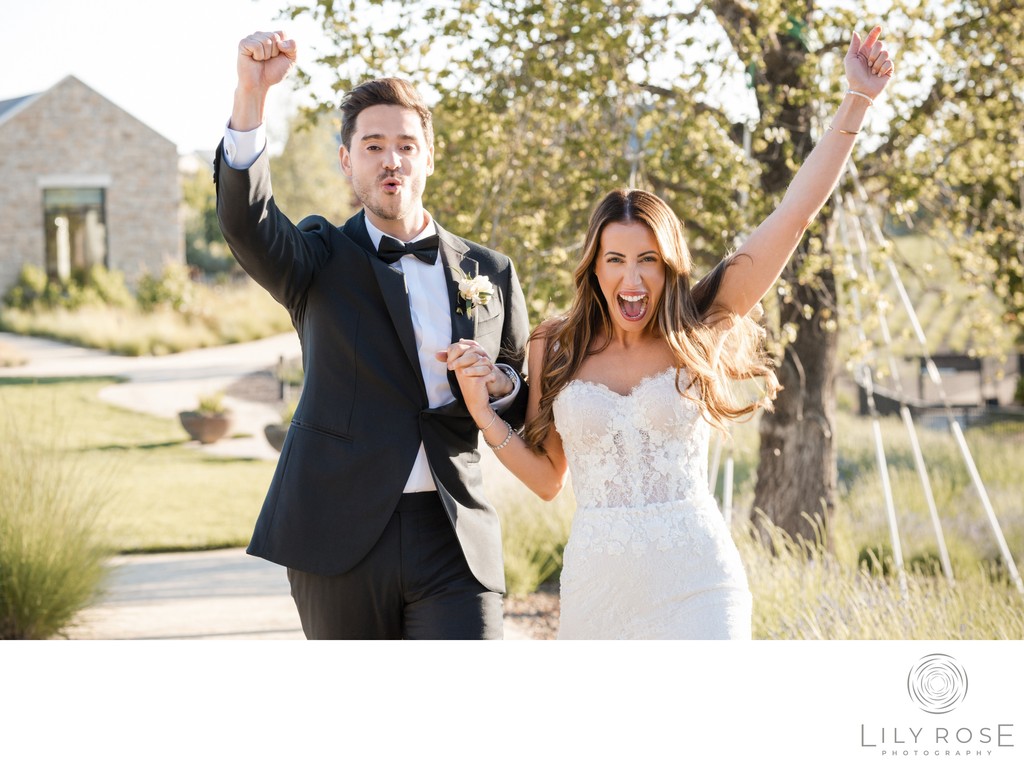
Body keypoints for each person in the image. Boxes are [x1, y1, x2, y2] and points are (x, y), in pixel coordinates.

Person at [446, 27, 895, 638]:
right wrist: (486, 415)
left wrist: (857, 102)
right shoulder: (555, 345)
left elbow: (793, 216)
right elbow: (550, 481)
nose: (632, 279)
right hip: (597, 592)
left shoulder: (702, 320)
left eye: (648, 260)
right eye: (615, 260)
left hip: (698, 584)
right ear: (594, 266)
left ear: (668, 265)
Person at [215, 31, 531, 639]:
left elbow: (522, 388)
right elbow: (246, 222)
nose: (392, 161)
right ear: (347, 159)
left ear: (429, 157)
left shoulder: (490, 271)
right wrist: (250, 97)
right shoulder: (317, 258)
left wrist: (499, 380)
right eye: (375, 145)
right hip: (339, 537)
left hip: (454, 535)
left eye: (407, 146)